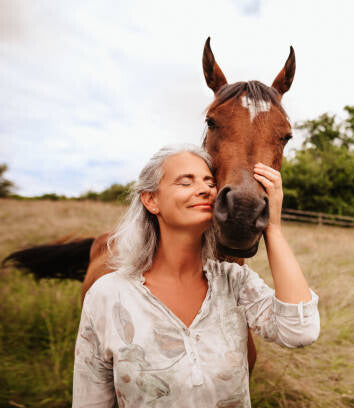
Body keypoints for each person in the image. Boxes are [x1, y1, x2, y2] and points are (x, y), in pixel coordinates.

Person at [72, 144, 320, 408]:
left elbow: (299, 332)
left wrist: (272, 227)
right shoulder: (107, 295)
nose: (204, 190)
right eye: (185, 182)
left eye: (209, 182)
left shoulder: (234, 282)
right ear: (151, 200)